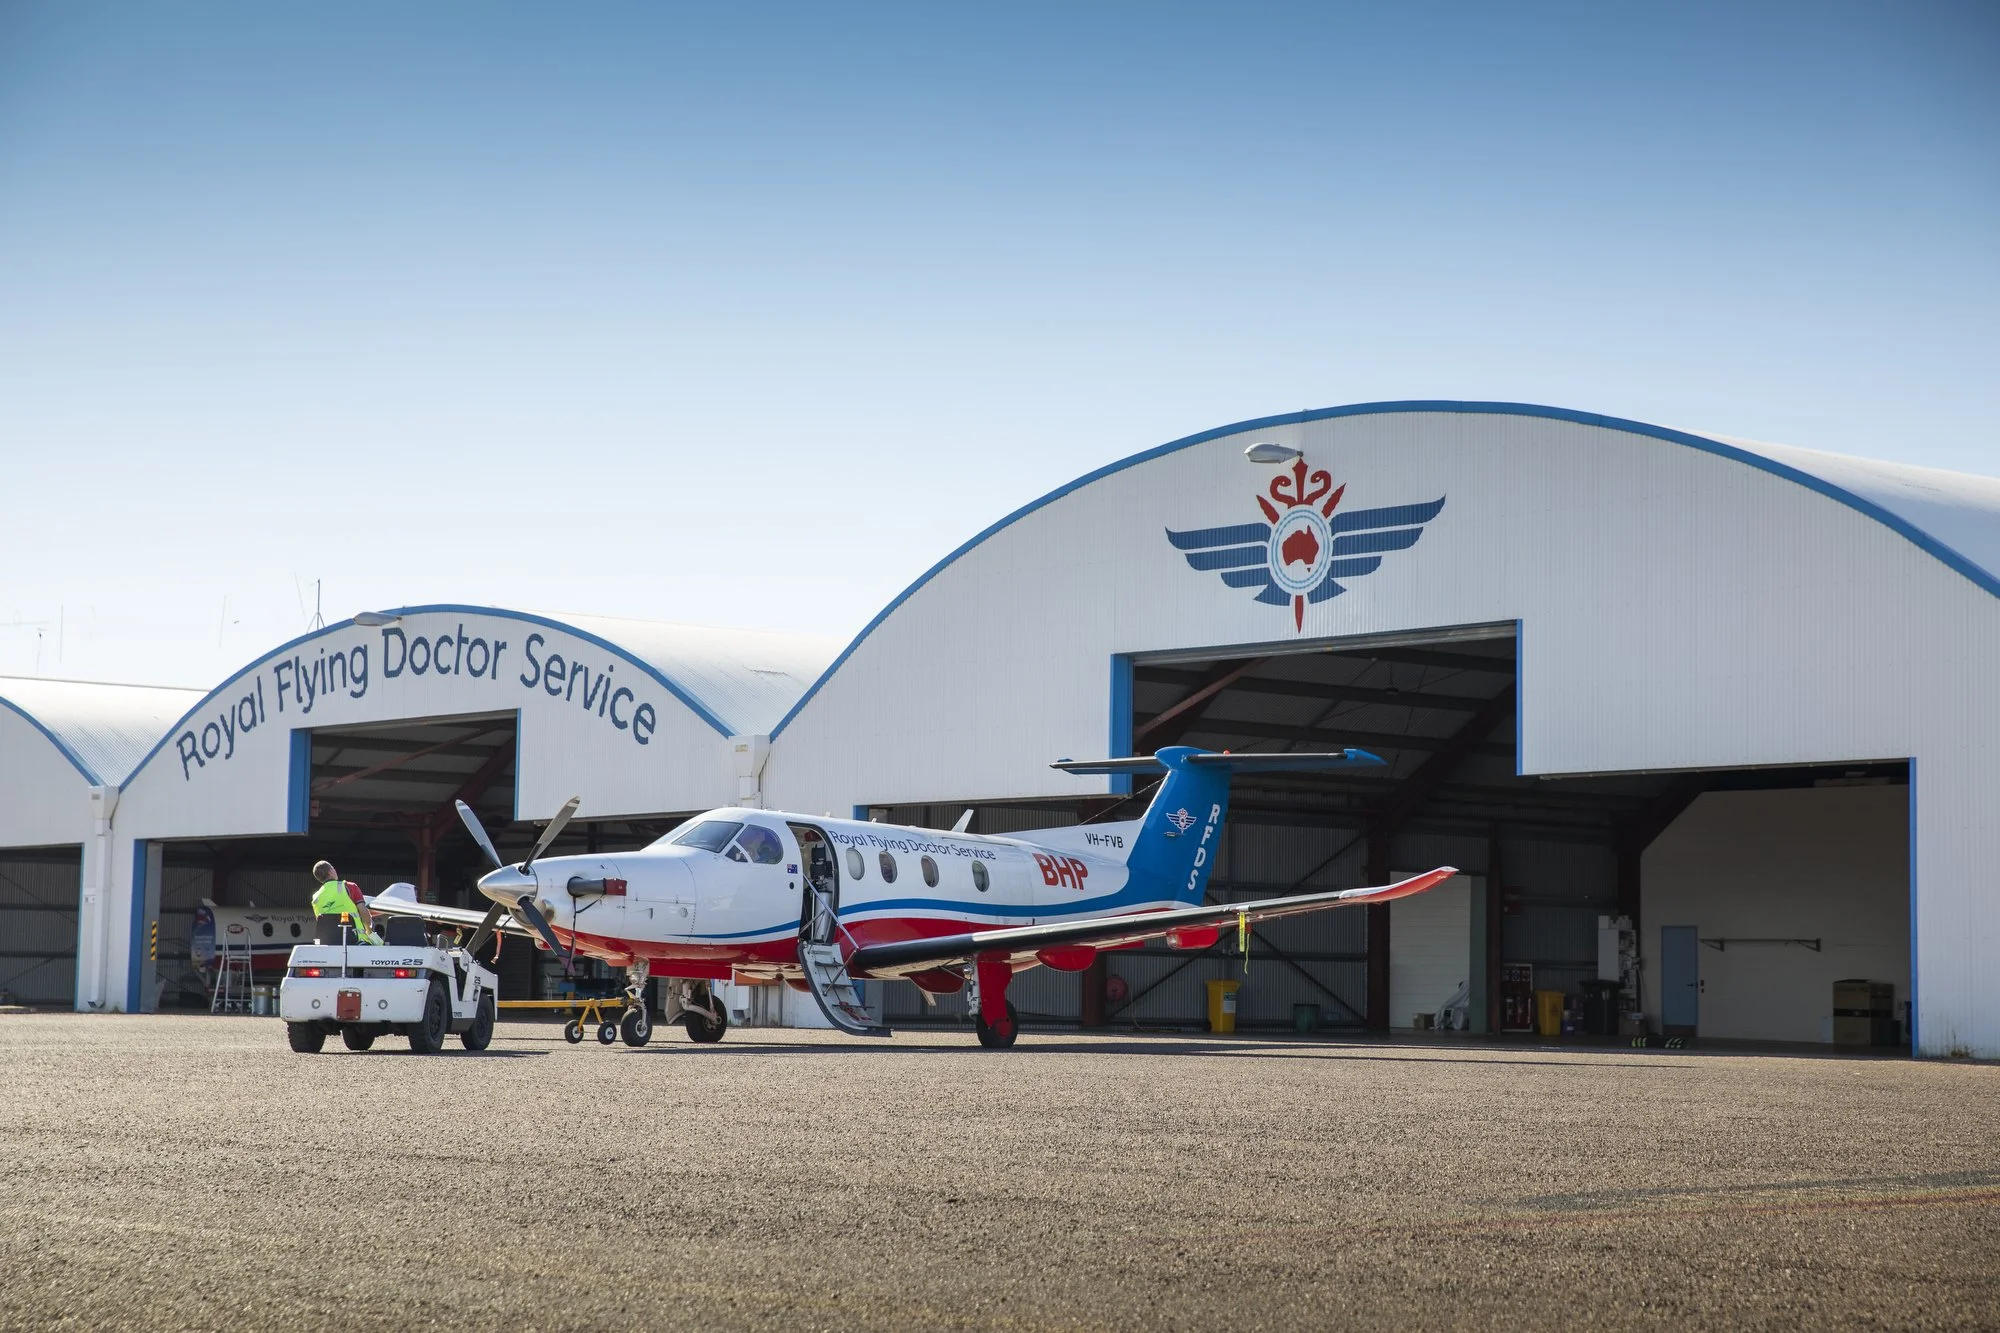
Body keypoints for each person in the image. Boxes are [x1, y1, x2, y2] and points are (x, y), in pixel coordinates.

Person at [310, 860, 381, 945]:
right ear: (331, 871)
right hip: (357, 942)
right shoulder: (349, 887)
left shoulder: (315, 898)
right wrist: (369, 931)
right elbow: (363, 911)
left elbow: (322, 922)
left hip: (329, 944)